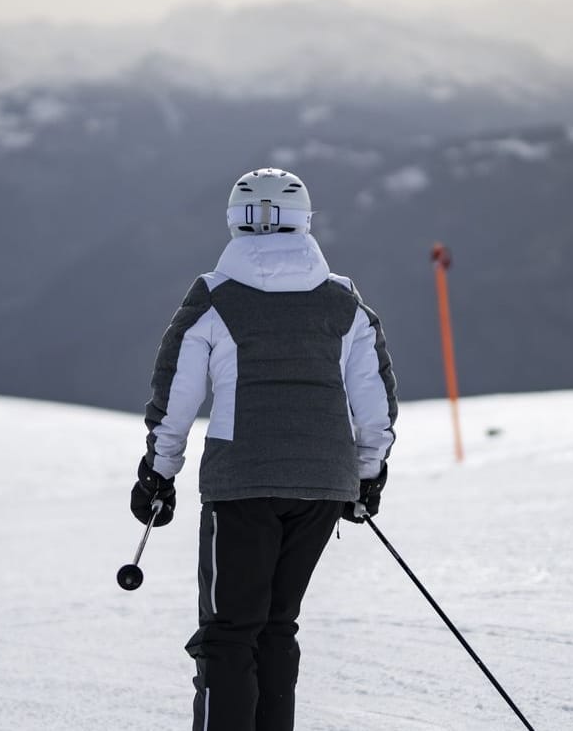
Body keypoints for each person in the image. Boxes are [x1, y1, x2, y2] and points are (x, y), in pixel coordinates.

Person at [132, 167, 399, 731]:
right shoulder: (342, 299)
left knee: (230, 631)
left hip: (242, 482)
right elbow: (372, 396)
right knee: (278, 626)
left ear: (233, 220)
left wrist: (159, 471)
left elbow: (178, 389)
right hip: (323, 483)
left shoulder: (214, 295)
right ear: (305, 222)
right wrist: (368, 474)